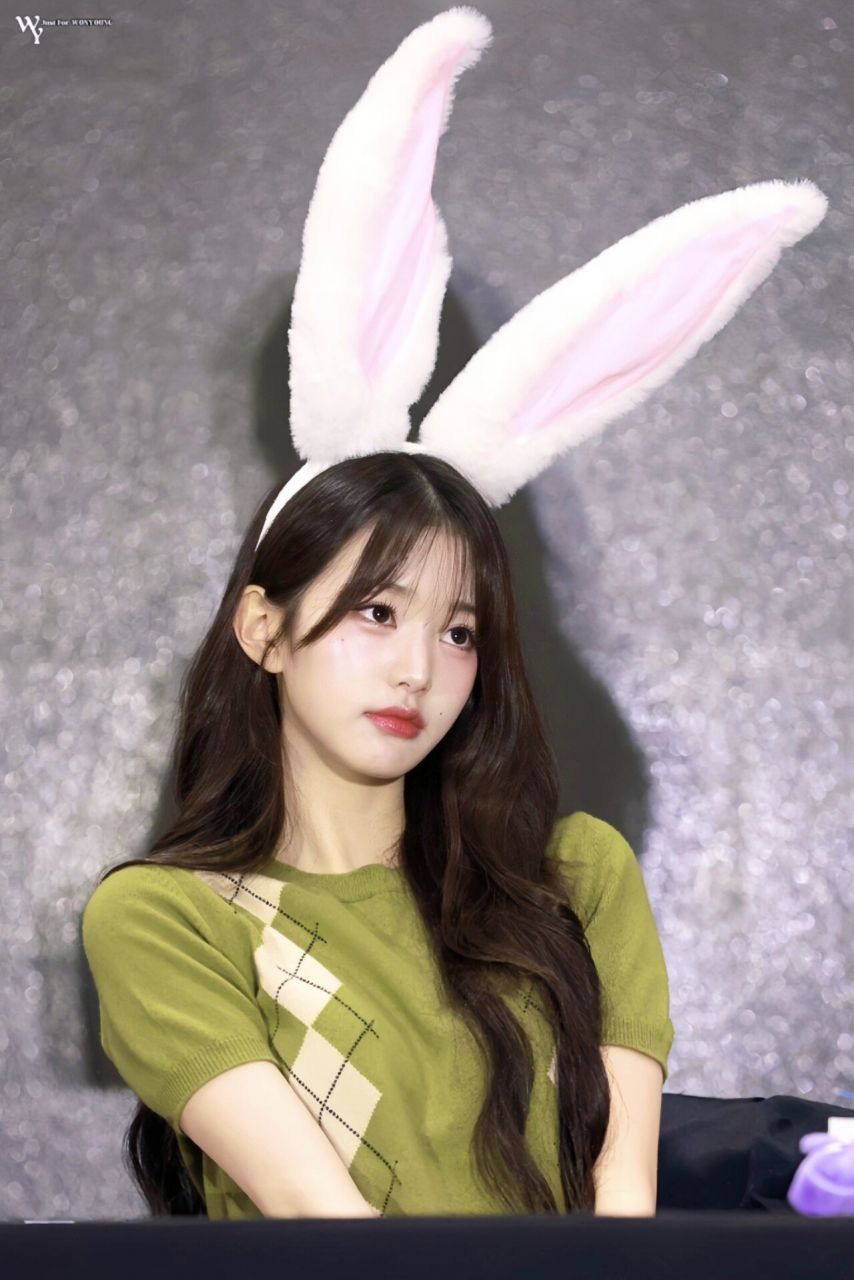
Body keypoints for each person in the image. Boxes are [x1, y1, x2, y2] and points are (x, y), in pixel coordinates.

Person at [80, 6, 826, 1222]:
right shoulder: (166, 917)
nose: (418, 668)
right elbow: (320, 1218)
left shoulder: (574, 877)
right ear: (262, 628)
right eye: (375, 611)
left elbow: (620, 1204)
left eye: (459, 629)